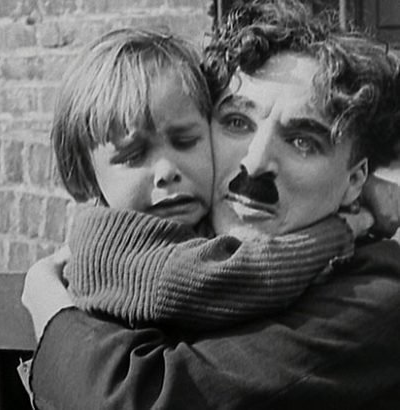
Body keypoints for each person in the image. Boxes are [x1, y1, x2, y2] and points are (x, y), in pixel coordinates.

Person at [24, 1, 400, 408]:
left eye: (302, 142)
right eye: (237, 123)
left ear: (355, 180)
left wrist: (51, 309)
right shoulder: (149, 248)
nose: (255, 163)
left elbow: (143, 400)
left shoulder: (375, 294)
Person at [51, 27, 360, 331]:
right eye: (133, 155)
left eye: (185, 142)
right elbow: (231, 280)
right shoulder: (113, 250)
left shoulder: (183, 223)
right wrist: (336, 233)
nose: (167, 171)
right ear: (86, 179)